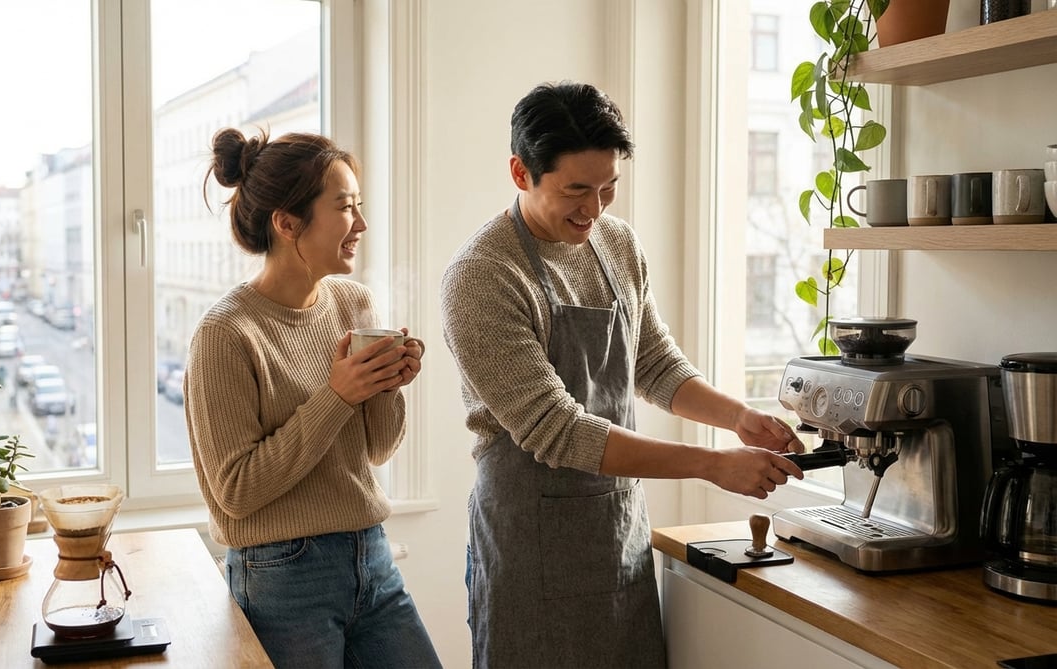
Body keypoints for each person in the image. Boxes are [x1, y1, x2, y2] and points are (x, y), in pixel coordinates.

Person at [440, 81, 807, 668]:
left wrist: (738, 417)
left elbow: (653, 362)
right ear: (520, 173)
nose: (594, 209)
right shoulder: (483, 275)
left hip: (616, 529)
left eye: (608, 187)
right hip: (530, 545)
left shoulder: (616, 243)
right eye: (575, 190)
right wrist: (713, 464)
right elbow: (559, 430)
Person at [184, 127, 441, 668]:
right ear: (286, 223)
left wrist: (387, 386)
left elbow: (376, 449)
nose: (361, 224)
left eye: (359, 205)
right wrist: (339, 395)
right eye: (345, 207)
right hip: (283, 575)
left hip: (371, 555)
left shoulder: (353, 303)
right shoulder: (226, 333)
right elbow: (236, 491)